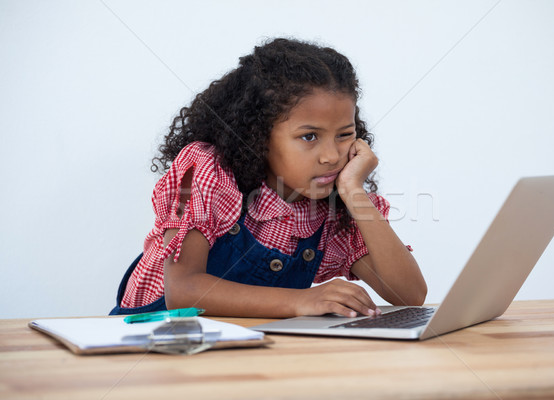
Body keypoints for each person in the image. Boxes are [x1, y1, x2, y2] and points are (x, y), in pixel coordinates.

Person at [110, 38, 427, 318]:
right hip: (151, 341)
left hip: (244, 349)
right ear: (259, 136)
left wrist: (353, 190)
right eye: (309, 136)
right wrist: (302, 301)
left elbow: (410, 295)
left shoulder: (333, 210)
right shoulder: (207, 170)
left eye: (345, 134)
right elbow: (183, 291)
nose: (331, 155)